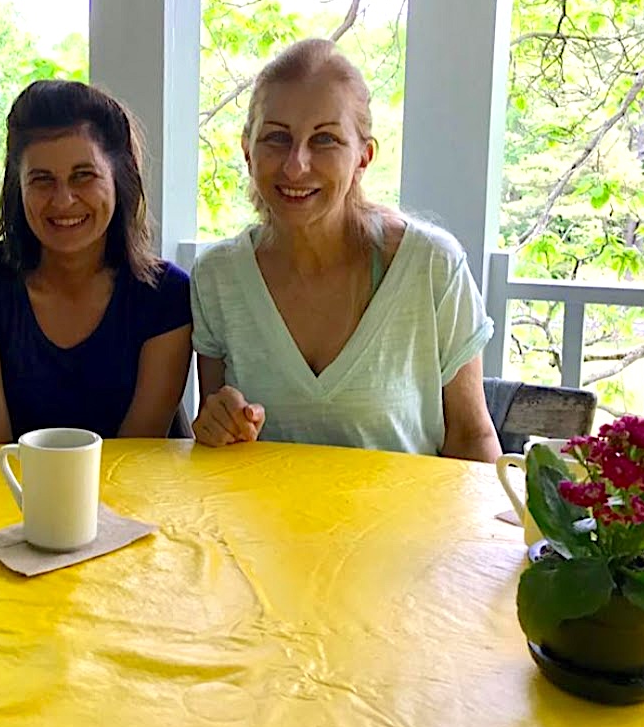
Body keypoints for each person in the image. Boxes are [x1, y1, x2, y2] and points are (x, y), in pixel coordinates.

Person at [190, 38, 500, 462]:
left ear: (363, 157)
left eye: (326, 140)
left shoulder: (431, 266)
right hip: (260, 528)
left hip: (407, 528)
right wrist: (218, 424)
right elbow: (220, 444)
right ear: (247, 150)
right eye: (276, 138)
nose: (296, 165)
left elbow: (471, 436)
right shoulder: (217, 276)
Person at [0, 80, 192, 446]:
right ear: (18, 187)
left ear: (119, 179)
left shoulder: (165, 294)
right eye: (42, 180)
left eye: (83, 176)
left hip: (124, 498)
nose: (63, 200)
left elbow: (137, 458)